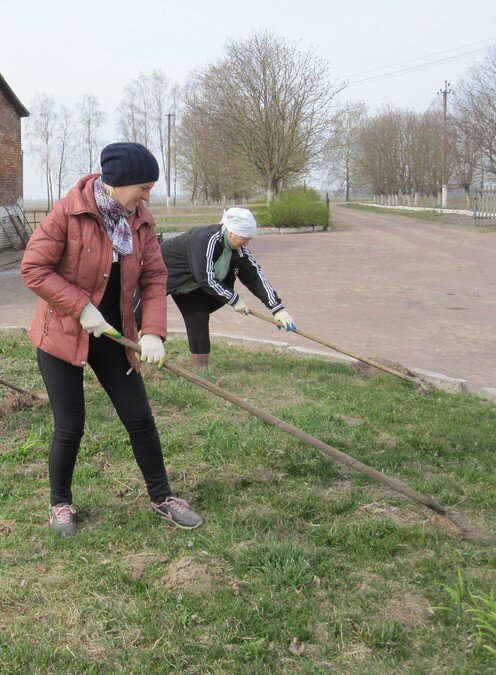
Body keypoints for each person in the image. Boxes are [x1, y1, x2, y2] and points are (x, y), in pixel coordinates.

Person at [21, 142, 202, 536]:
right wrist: (81, 307)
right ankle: (60, 503)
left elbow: (155, 277)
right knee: (71, 425)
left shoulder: (140, 220)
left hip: (114, 335)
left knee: (139, 417)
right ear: (117, 183)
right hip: (63, 332)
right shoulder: (68, 212)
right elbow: (33, 268)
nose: (147, 196)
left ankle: (162, 497)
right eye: (143, 187)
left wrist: (152, 331)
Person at [160, 207, 295, 374]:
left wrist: (277, 309)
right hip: (164, 274)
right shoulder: (205, 239)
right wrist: (234, 299)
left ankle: (201, 371)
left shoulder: (239, 251)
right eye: (245, 239)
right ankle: (132, 356)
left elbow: (255, 277)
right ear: (231, 232)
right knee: (139, 315)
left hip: (191, 285)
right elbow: (206, 277)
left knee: (198, 316)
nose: (247, 243)